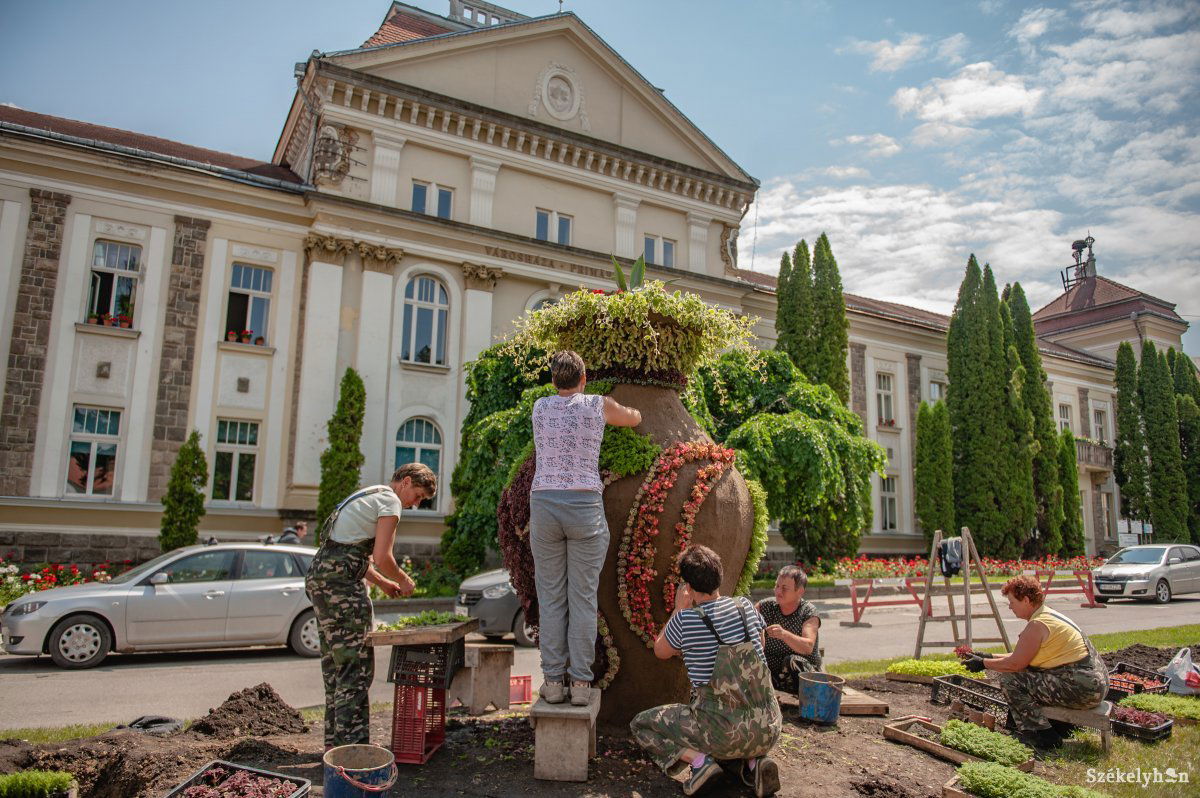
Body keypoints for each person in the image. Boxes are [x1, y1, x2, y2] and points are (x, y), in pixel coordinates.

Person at [530, 350, 640, 706]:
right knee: (582, 598)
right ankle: (580, 684)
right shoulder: (597, 404)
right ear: (583, 378)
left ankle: (552, 682)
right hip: (583, 505)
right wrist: (637, 409)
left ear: (552, 381)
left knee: (550, 597)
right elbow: (632, 418)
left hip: (544, 503)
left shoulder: (540, 408)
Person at [631, 545, 782, 797]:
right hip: (769, 727)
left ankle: (700, 763)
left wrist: (679, 609)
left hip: (721, 733)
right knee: (738, 725)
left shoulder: (685, 619)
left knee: (641, 724)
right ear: (719, 576)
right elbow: (760, 647)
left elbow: (661, 651)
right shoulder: (745, 607)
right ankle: (756, 762)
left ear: (688, 586)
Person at [304, 463, 437, 750]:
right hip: (341, 586)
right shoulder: (390, 500)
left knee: (335, 668)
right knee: (356, 667)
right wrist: (404, 579)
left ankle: (334, 746)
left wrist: (383, 584)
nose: (415, 504)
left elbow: (347, 552)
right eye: (417, 495)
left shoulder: (368, 494)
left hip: (320, 578)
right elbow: (382, 555)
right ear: (405, 481)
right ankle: (354, 751)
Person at [962, 575, 1108, 750]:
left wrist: (983, 663)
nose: (1010, 607)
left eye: (1012, 602)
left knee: (1011, 681)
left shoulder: (1037, 625)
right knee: (1027, 676)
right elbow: (1023, 655)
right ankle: (1058, 728)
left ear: (1025, 600)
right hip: (1093, 685)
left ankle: (1042, 735)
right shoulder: (1048, 615)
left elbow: (1015, 664)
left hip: (1084, 690)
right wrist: (988, 656)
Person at [756, 565, 822, 693]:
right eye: (777, 586)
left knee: (793, 661)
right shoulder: (765, 607)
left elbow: (808, 646)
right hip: (773, 676)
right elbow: (745, 620)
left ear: (800, 591)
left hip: (805, 676)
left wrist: (784, 634)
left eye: (784, 588)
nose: (778, 592)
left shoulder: (808, 611)